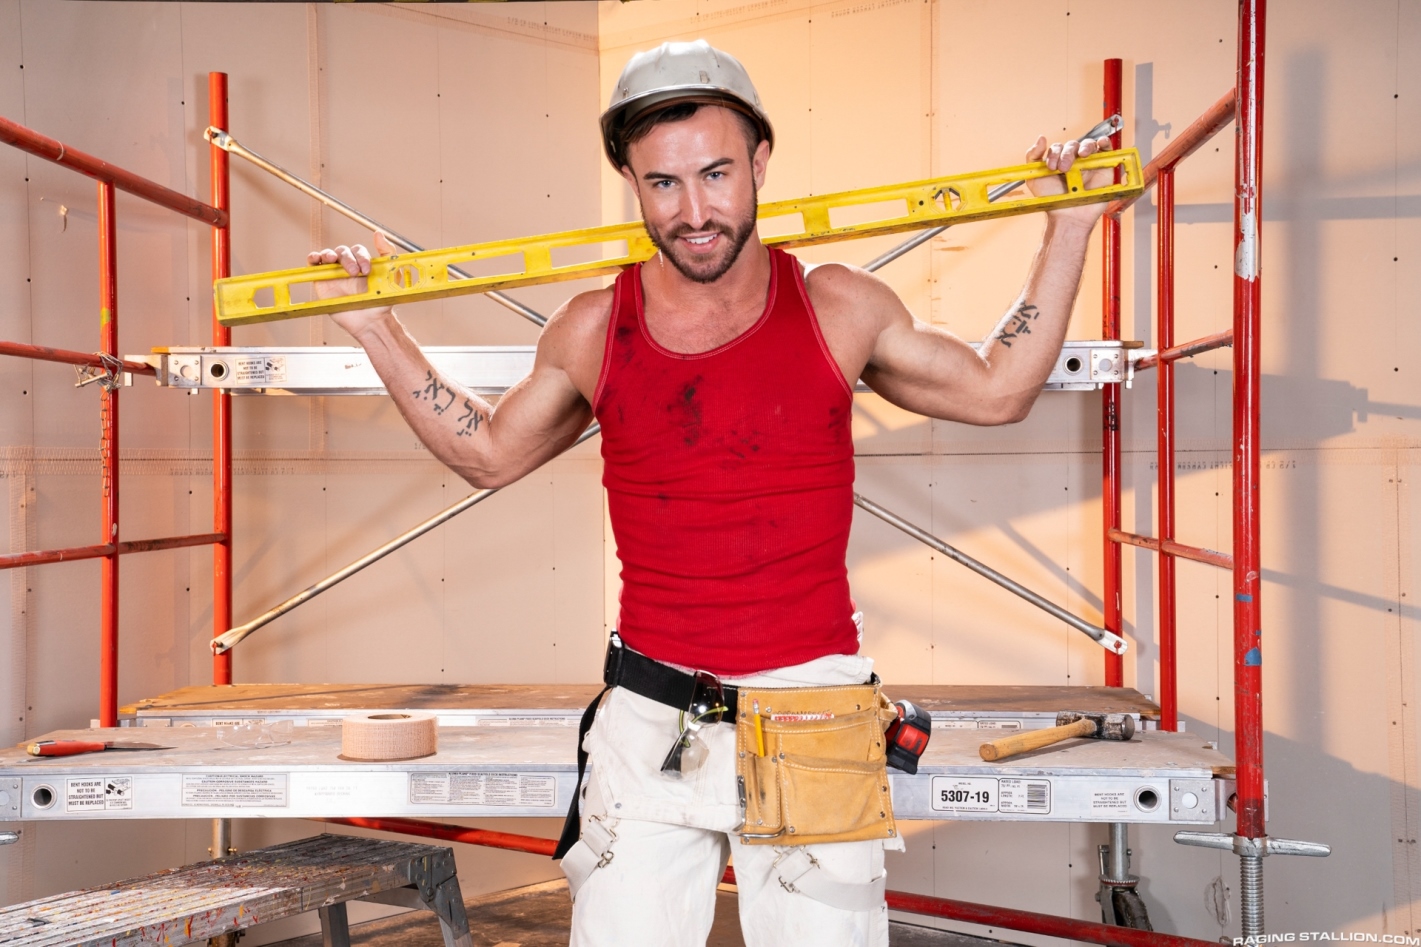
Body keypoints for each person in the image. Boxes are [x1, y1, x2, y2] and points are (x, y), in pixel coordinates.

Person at [308, 38, 1115, 947]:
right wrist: (375, 328)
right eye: (662, 183)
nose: (693, 212)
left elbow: (997, 390)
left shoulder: (838, 307)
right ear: (631, 181)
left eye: (716, 174)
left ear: (761, 161)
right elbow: (489, 454)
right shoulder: (594, 327)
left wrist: (1069, 226)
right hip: (650, 716)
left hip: (813, 711)